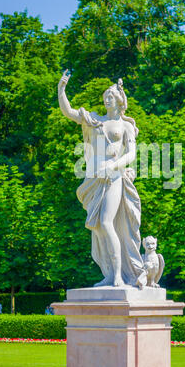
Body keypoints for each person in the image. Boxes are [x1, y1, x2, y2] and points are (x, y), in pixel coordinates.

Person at [58, 71, 146, 288]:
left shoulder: (125, 126)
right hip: (94, 179)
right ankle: (109, 273)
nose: (107, 99)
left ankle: (117, 276)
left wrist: (113, 166)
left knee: (106, 223)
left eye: (111, 96)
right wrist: (61, 89)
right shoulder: (95, 120)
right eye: (105, 96)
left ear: (119, 100)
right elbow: (68, 112)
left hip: (113, 177)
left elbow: (132, 154)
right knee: (97, 228)